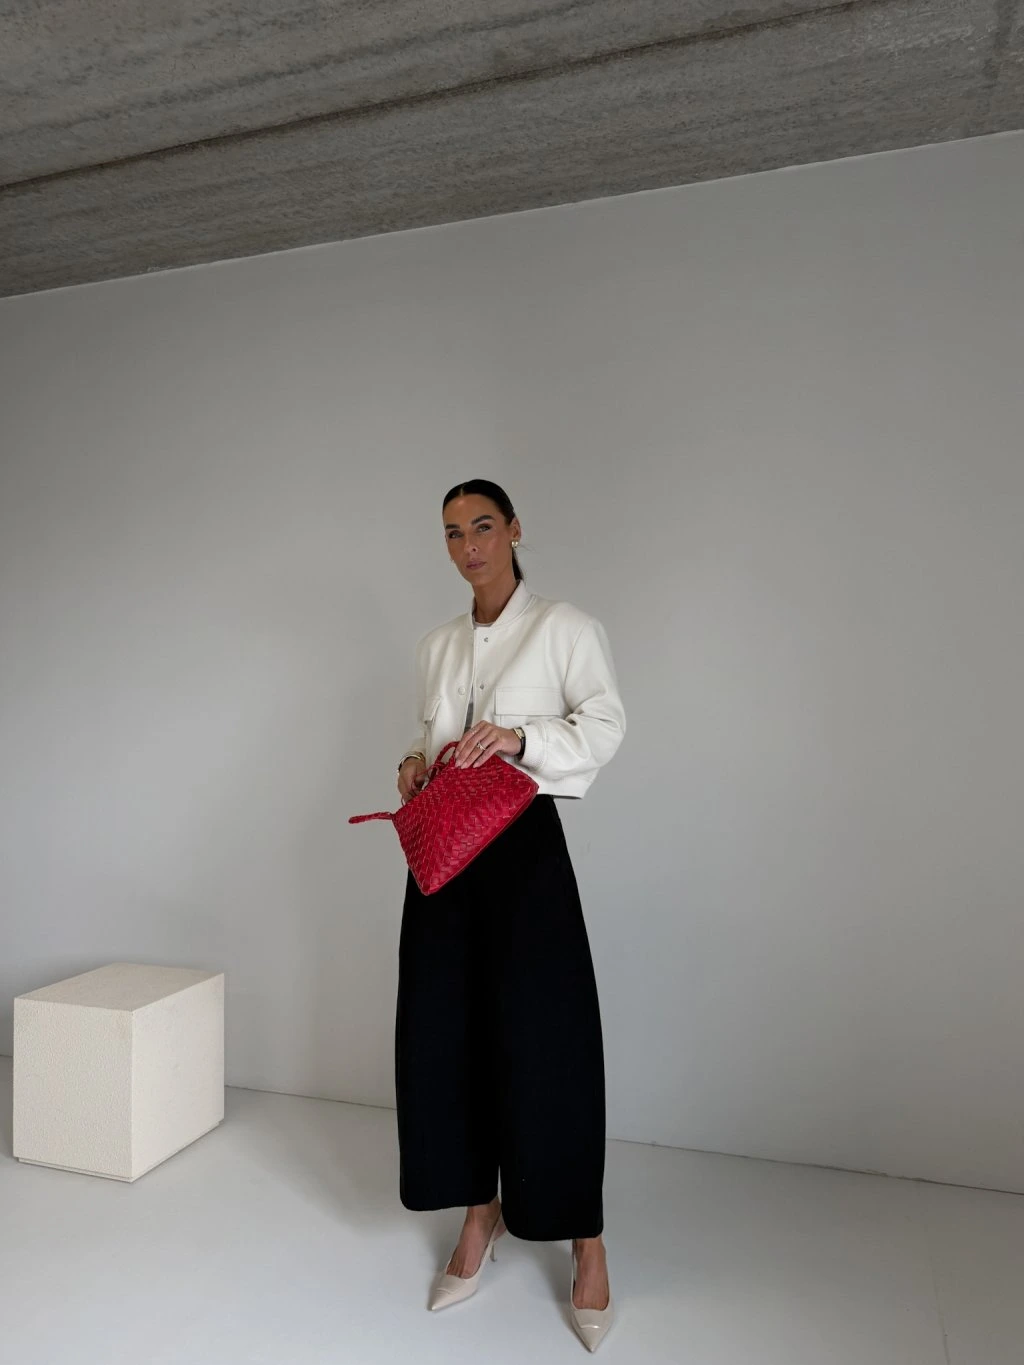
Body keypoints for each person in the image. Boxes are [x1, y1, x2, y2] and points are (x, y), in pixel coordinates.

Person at [393, 478, 626, 1353]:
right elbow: (431, 735)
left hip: (524, 850)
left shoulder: (565, 628)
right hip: (442, 856)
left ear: (515, 529)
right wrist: (413, 763)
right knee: (444, 1034)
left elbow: (604, 726)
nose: (470, 547)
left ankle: (584, 1234)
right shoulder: (436, 645)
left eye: (483, 526)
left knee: (547, 1037)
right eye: (453, 533)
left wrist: (522, 738)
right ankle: (477, 1209)